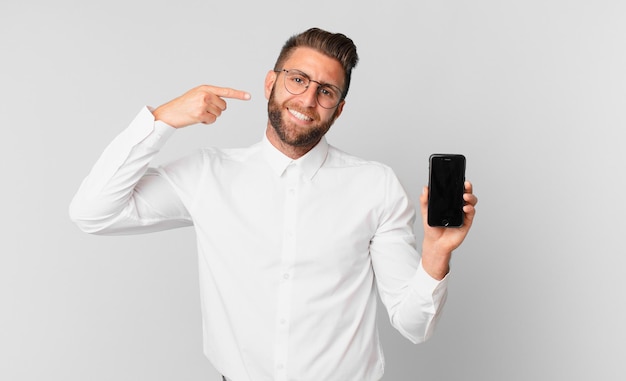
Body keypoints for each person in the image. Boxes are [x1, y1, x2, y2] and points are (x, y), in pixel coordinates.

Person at [69, 27, 477, 381]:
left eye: (326, 91)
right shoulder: (208, 175)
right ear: (270, 83)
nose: (307, 99)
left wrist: (435, 254)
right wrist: (161, 119)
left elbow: (414, 325)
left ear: (339, 109)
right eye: (297, 79)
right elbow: (92, 212)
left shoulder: (375, 186)